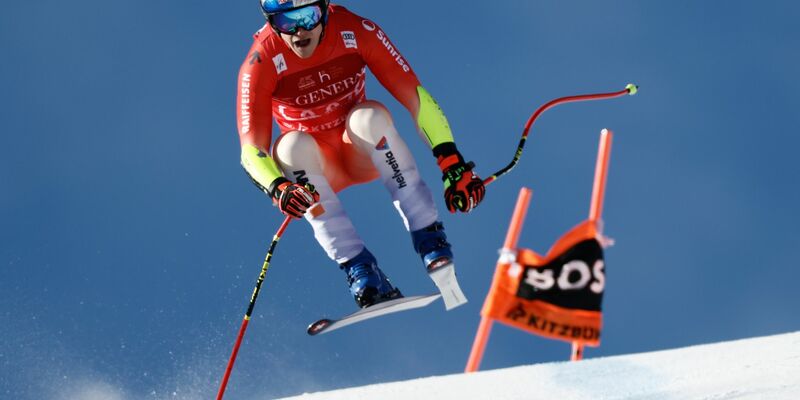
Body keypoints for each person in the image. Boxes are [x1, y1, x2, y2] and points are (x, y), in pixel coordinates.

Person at [236, 0, 486, 309]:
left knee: (368, 117)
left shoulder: (354, 30)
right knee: (288, 148)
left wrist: (451, 161)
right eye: (285, 22)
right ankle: (360, 269)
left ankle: (430, 237)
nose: (298, 31)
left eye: (307, 16)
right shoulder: (261, 60)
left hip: (360, 149)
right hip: (316, 168)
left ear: (325, 8)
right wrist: (279, 186)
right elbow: (251, 150)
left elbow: (415, 97)